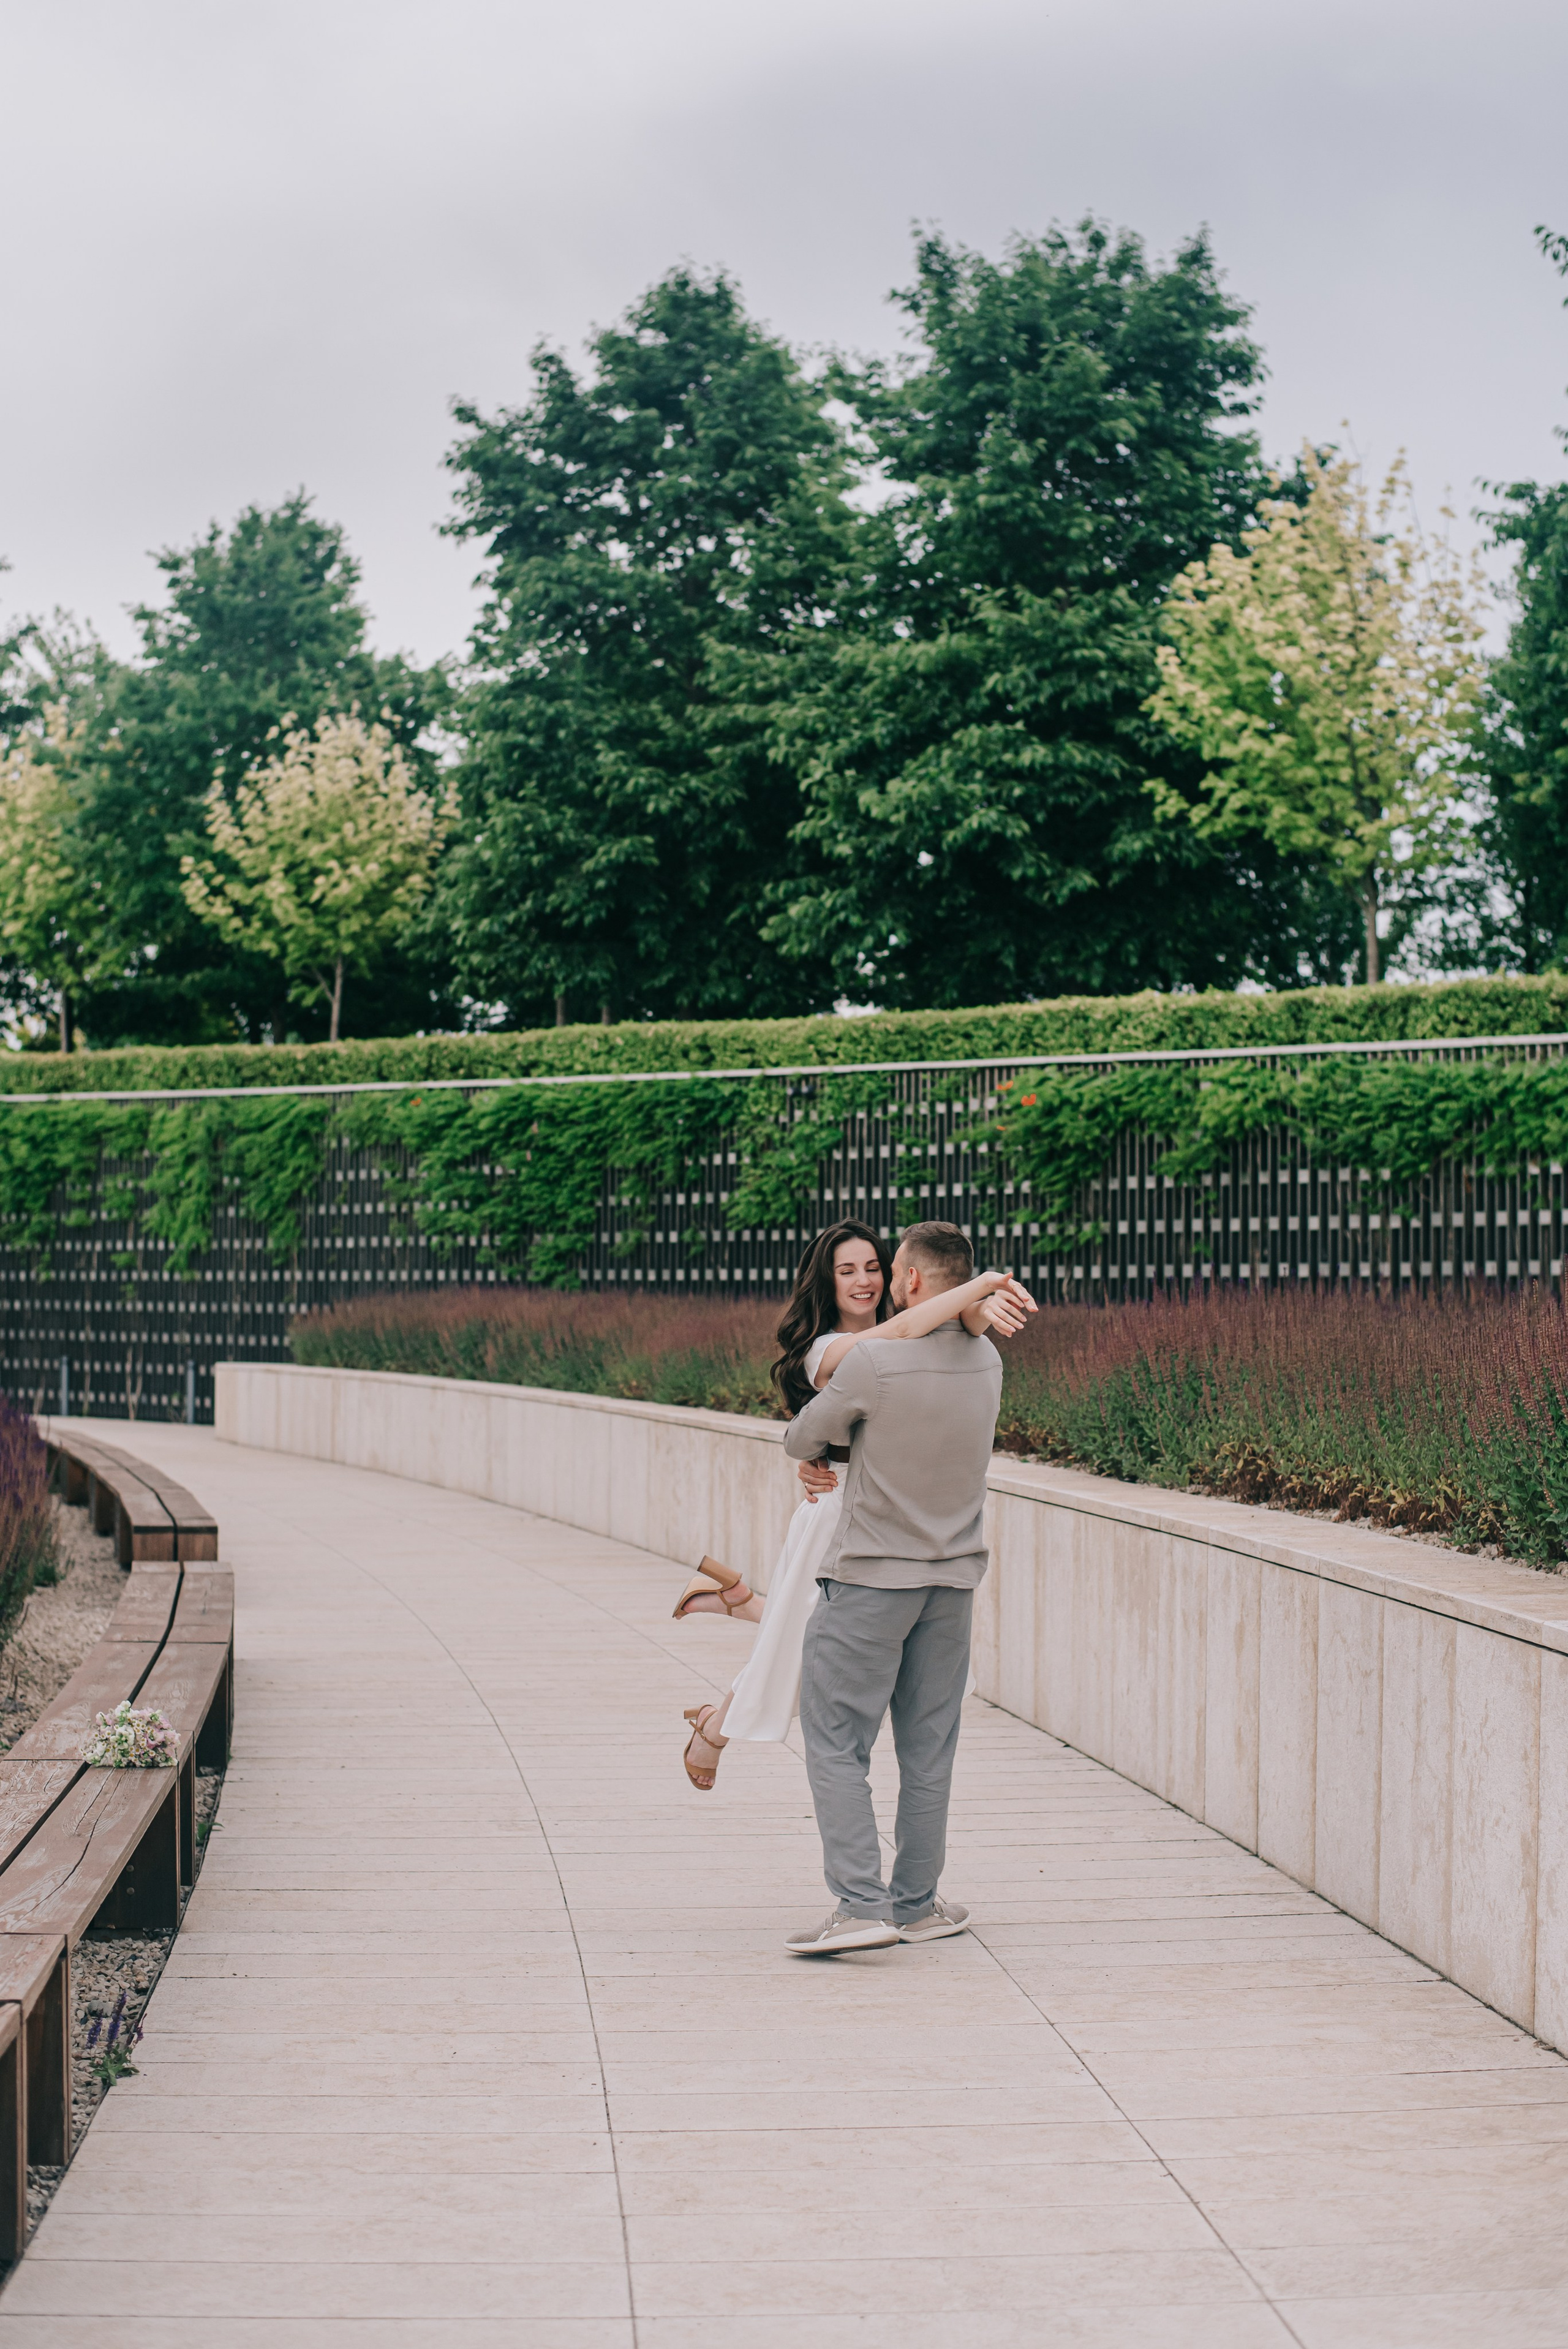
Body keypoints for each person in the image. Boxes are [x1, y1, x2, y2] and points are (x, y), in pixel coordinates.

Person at [674, 1219, 1033, 1789]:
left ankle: (740, 1610)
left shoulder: (916, 1325)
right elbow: (907, 1328)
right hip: (840, 1510)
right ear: (828, 1281)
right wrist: (983, 1285)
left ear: (899, 1275)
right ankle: (717, 1719)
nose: (864, 1281)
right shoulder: (827, 1348)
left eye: (872, 1267)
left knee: (801, 1640)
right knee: (797, 1651)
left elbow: (942, 1325)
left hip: (894, 1513)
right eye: (847, 1271)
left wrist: (979, 1310)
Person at [782, 1220, 1016, 1955]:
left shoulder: (873, 1362)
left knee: (835, 1741)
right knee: (929, 1748)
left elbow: (800, 1438)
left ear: (910, 1280)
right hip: (953, 1582)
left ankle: (861, 1905)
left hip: (871, 1580)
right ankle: (915, 1905)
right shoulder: (987, 1362)